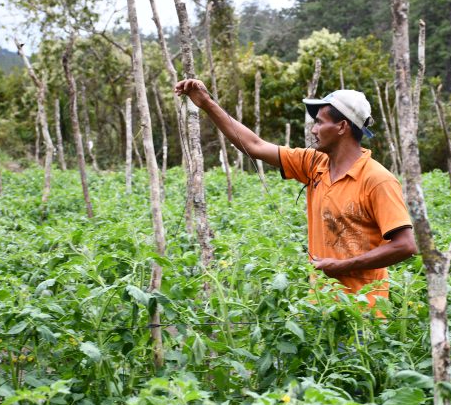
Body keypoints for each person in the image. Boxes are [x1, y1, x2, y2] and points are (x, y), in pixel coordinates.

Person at [174, 79, 417, 310]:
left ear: (342, 126)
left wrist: (343, 266)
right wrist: (207, 103)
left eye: (320, 122)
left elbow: (405, 245)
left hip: (363, 314)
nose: (314, 129)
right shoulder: (314, 163)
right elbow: (254, 146)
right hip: (320, 306)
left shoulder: (377, 179)